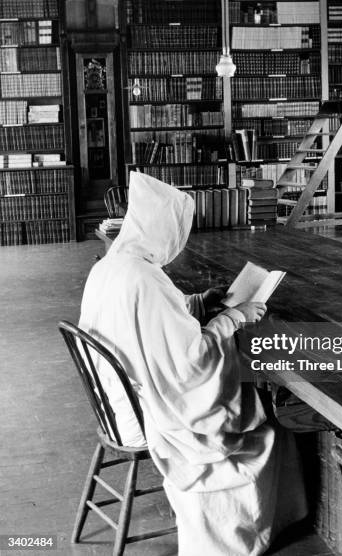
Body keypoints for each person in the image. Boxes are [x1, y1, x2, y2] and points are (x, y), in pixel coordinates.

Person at [78, 171, 307, 555]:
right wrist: (236, 317)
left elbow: (154, 322)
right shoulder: (143, 278)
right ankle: (247, 533)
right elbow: (190, 363)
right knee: (265, 423)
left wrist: (201, 302)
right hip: (145, 413)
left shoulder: (115, 265)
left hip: (115, 401)